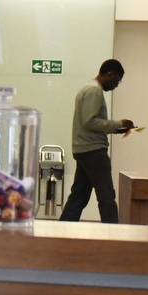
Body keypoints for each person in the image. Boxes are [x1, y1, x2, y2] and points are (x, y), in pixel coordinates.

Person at [59, 59, 133, 223]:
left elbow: (89, 123)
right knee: (106, 197)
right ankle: (113, 234)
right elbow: (90, 122)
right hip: (94, 152)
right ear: (109, 74)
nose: (116, 85)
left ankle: (61, 230)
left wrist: (117, 129)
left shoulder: (86, 89)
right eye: (117, 80)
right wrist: (119, 123)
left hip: (84, 150)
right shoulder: (95, 91)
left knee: (79, 197)